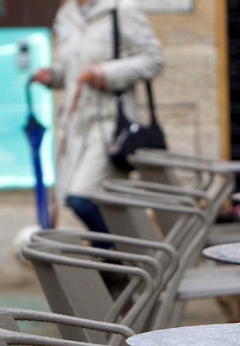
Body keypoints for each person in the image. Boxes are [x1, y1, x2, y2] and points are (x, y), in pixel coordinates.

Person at [32, 0, 164, 233]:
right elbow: (75, 69)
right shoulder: (67, 14)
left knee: (81, 198)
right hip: (77, 126)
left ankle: (117, 253)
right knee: (81, 199)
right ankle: (119, 257)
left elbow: (154, 59)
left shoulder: (122, 8)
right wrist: (54, 76)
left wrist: (107, 72)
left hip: (112, 124)